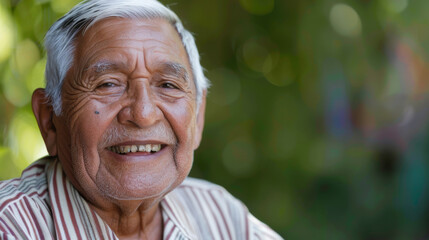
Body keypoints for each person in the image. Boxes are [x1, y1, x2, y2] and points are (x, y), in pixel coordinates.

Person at [0, 0, 283, 239]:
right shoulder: (11, 226)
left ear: (198, 115)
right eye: (107, 84)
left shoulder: (221, 218)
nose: (143, 114)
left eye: (168, 85)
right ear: (49, 120)